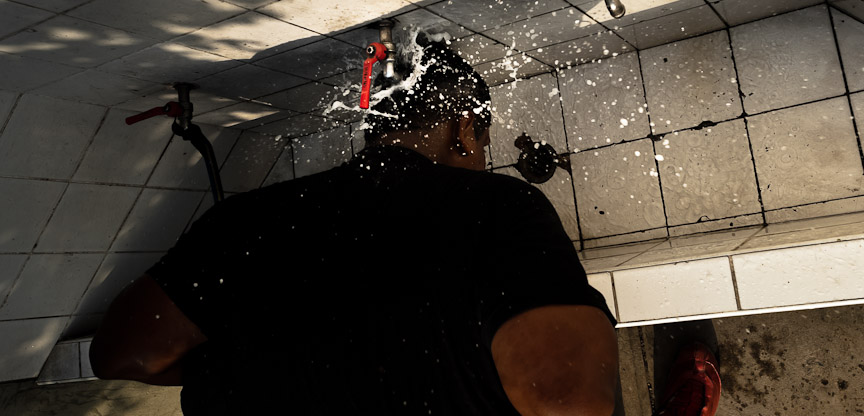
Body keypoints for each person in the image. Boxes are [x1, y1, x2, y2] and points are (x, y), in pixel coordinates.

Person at [90, 39, 620, 415]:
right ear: (463, 131)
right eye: (483, 143)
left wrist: (257, 366)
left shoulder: (242, 222)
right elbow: (567, 400)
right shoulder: (500, 208)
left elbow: (118, 353)